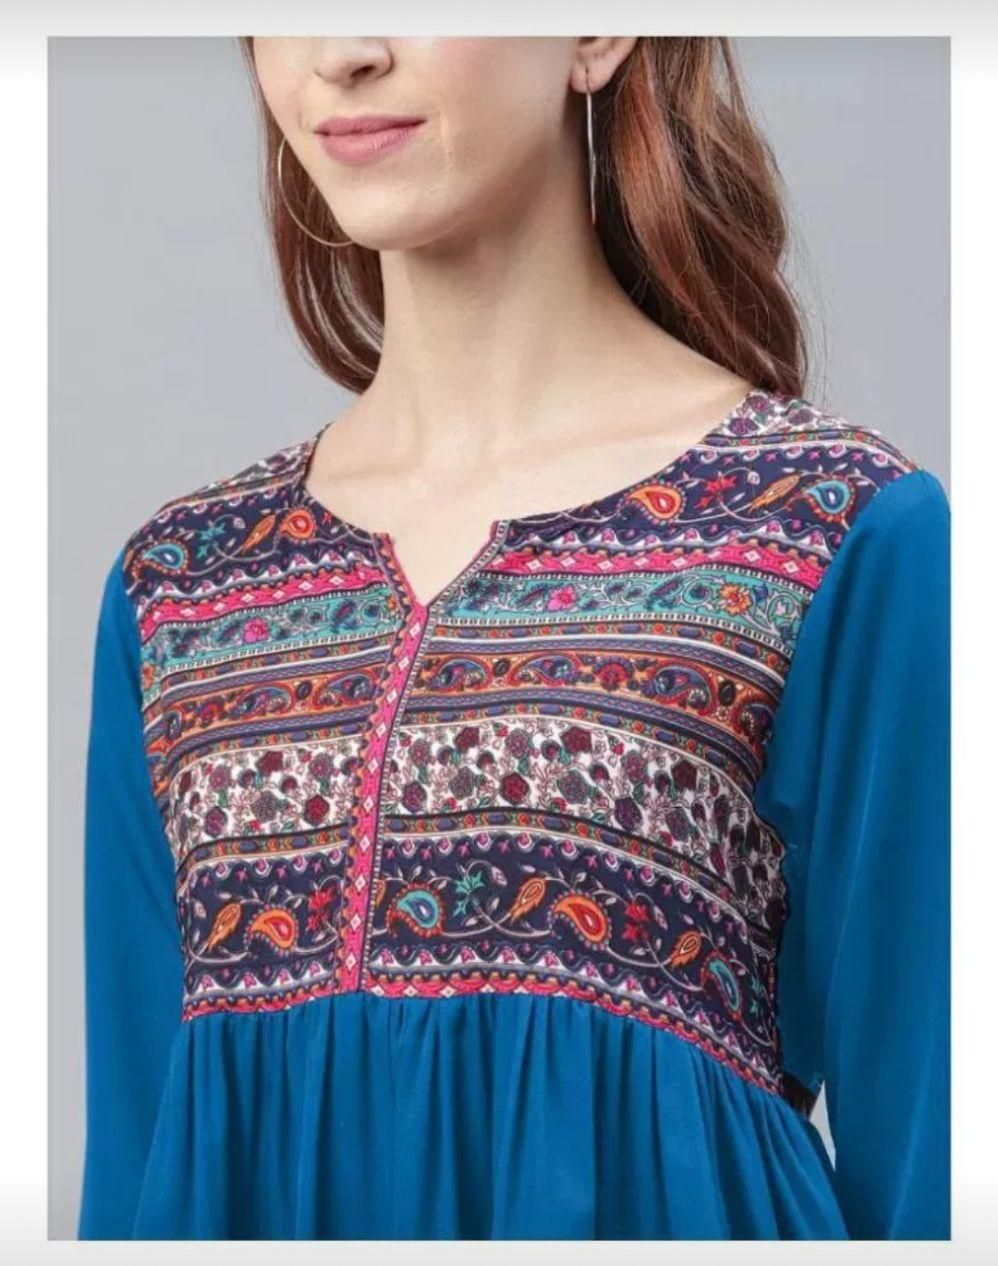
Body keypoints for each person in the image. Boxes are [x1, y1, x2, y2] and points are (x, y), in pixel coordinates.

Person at [77, 36, 950, 1240]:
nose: (343, 53)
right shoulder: (182, 589)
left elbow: (937, 1179)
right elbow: (135, 1177)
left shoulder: (828, 527)